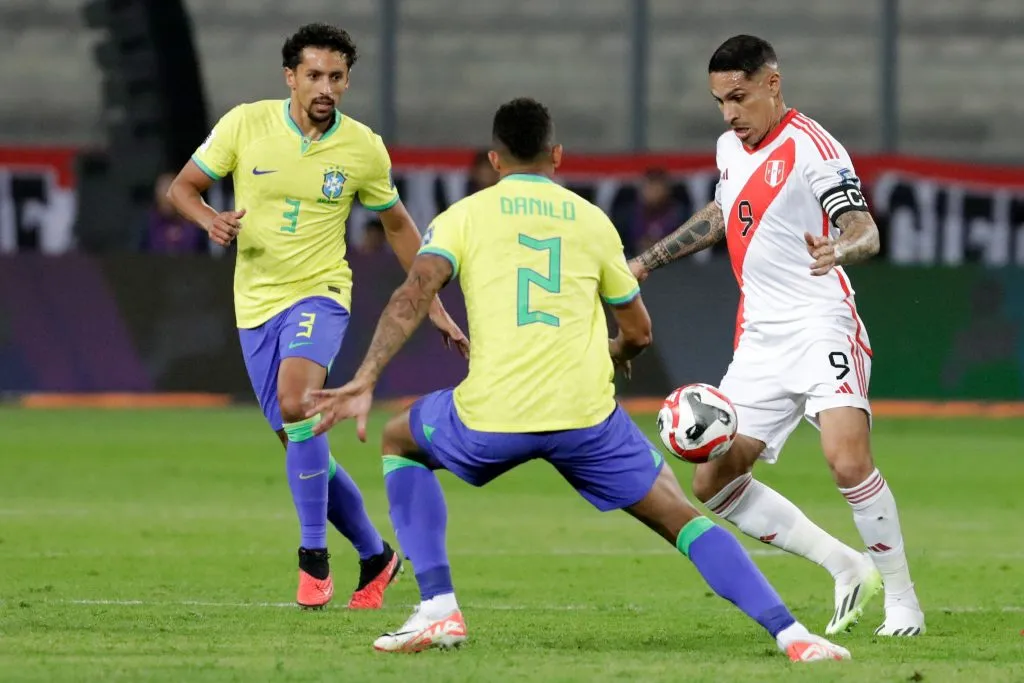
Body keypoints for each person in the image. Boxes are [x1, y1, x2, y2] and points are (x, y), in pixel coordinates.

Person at [307, 97, 851, 662]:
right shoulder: (593, 222)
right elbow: (638, 331)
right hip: (587, 418)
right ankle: (793, 635)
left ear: (495, 160)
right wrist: (612, 350)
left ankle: (439, 606)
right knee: (680, 518)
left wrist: (366, 376)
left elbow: (413, 294)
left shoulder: (462, 217)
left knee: (400, 440)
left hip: (493, 414)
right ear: (558, 155)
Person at [628, 35, 924, 637]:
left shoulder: (815, 148)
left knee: (846, 460)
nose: (731, 113)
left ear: (772, 84)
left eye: (738, 96)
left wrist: (839, 248)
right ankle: (846, 566)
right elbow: (722, 214)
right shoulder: (729, 148)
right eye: (720, 101)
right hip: (760, 339)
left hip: (821, 323)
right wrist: (648, 260)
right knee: (712, 480)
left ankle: (903, 603)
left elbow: (864, 229)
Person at [166, 23, 469, 610]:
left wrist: (431, 305)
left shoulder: (362, 148)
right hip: (254, 303)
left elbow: (399, 226)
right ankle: (377, 556)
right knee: (298, 439)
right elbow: (184, 188)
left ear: (348, 80)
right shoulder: (244, 125)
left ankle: (313, 559)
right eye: (314, 75)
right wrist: (210, 221)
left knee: (297, 403)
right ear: (291, 78)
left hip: (321, 293)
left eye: (336, 76)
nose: (325, 86)